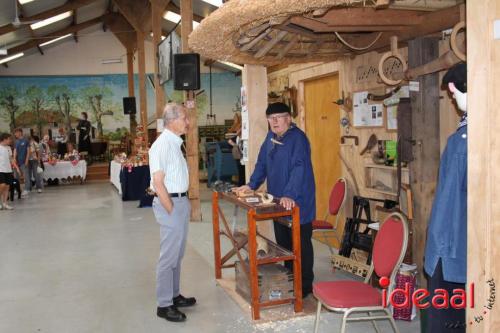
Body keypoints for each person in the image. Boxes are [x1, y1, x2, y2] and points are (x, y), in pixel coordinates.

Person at [234, 102, 316, 297]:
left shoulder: (298, 139)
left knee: (300, 244)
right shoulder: (271, 137)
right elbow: (262, 162)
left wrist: (290, 194)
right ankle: (291, 279)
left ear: (288, 118)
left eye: (279, 117)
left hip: (297, 200)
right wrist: (251, 184)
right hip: (278, 201)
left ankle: (305, 286)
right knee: (285, 245)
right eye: (271, 118)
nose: (275, 121)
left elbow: (300, 168)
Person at [424, 62, 467, 333]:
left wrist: (437, 250)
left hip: (452, 248)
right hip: (468, 245)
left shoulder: (461, 141)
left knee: (446, 320)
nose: (453, 99)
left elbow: (448, 204)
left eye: (454, 94)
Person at [149, 103, 196, 323]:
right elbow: (158, 183)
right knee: (168, 257)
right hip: (171, 204)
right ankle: (164, 304)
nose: (188, 122)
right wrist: (171, 210)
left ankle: (174, 295)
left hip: (180, 201)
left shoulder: (175, 143)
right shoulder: (161, 146)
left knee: (177, 254)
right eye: (184, 118)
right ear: (172, 120)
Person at [227, 112, 245, 186]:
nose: (234, 119)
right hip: (239, 155)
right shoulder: (237, 126)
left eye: (235, 118)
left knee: (242, 172)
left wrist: (233, 144)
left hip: (242, 155)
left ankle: (241, 185)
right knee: (241, 171)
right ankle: (240, 185)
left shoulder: (241, 125)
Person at [0, 133, 17, 210]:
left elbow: (11, 159)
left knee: (7, 187)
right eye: (9, 139)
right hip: (0, 170)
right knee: (2, 185)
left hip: (8, 170)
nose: (10, 140)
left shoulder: (9, 148)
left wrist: (17, 168)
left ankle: (5, 203)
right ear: (4, 139)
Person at [13, 128, 30, 197]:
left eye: (16, 133)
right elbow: (15, 150)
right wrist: (14, 158)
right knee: (16, 176)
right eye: (15, 133)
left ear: (20, 132)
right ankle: (16, 189)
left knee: (26, 176)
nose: (15, 134)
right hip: (17, 162)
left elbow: (28, 151)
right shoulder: (16, 141)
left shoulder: (26, 141)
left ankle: (27, 189)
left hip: (23, 161)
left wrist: (27, 160)